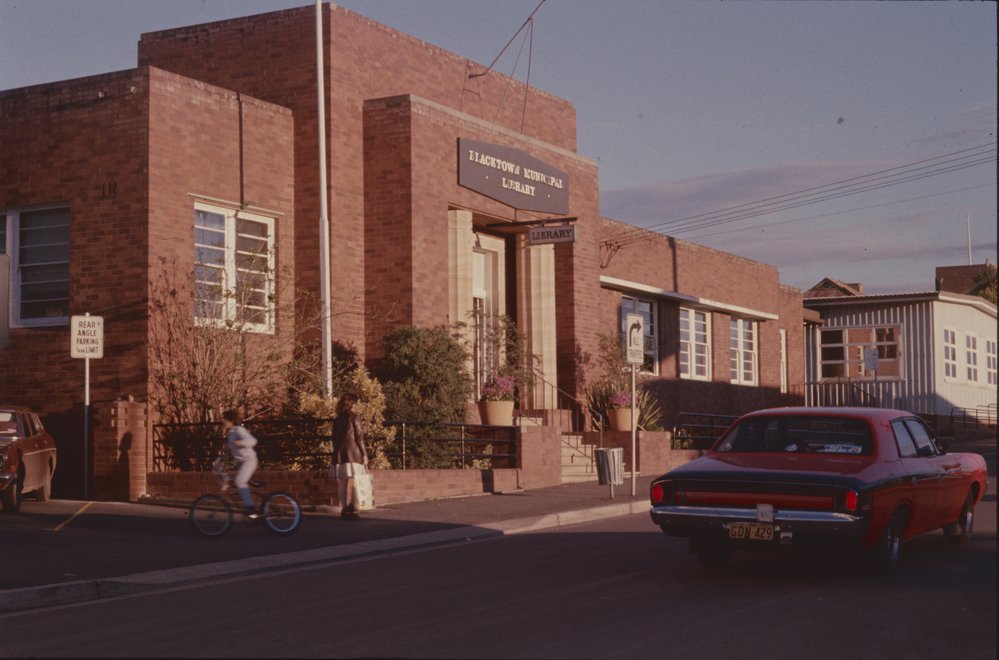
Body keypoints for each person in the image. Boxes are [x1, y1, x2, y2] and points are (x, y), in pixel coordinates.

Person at [331, 393, 368, 519]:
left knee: (342, 481)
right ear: (351, 404)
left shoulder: (337, 419)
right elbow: (360, 438)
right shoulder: (355, 417)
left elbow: (334, 438)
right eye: (355, 403)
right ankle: (353, 507)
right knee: (357, 480)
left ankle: (344, 509)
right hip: (354, 453)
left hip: (340, 454)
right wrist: (364, 454)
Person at [221, 409, 259, 518]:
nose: (223, 422)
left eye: (225, 419)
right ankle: (246, 502)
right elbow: (228, 452)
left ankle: (251, 509)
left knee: (240, 481)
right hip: (242, 462)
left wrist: (240, 442)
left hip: (249, 460)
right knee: (235, 482)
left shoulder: (238, 430)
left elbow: (253, 441)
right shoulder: (230, 433)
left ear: (231, 421)